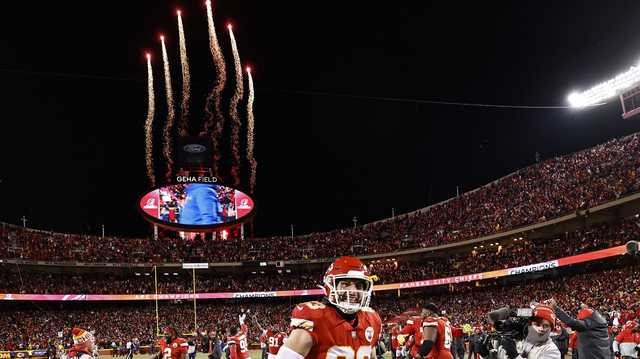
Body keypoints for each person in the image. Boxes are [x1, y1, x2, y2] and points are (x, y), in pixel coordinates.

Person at [276, 256, 382, 359]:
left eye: (359, 286)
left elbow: (370, 355)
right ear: (330, 286)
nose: (353, 291)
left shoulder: (372, 320)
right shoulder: (316, 318)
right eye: (346, 284)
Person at [495, 304, 561, 359]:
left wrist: (515, 355)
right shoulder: (528, 343)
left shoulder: (552, 350)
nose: (541, 329)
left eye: (546, 326)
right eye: (537, 324)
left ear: (551, 329)